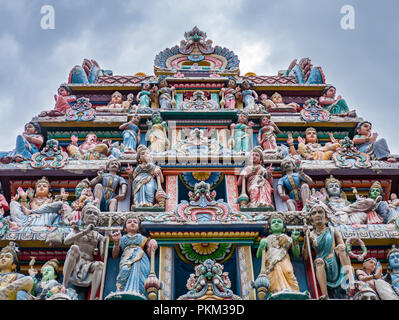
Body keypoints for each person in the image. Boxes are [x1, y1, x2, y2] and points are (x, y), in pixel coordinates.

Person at [302, 200, 355, 299]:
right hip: (323, 264)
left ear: (326, 219)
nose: (317, 214)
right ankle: (325, 294)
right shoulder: (311, 235)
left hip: (336, 261)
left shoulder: (333, 230)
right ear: (312, 221)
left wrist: (348, 247)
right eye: (314, 213)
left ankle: (351, 280)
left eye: (320, 212)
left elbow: (343, 247)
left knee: (340, 247)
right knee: (318, 261)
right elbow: (305, 257)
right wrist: (306, 238)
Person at [62, 205, 105, 300]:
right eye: (89, 213)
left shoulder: (98, 236)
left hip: (88, 263)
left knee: (100, 265)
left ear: (98, 219)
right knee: (74, 248)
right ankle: (64, 285)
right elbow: (66, 241)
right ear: (83, 217)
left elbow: (103, 256)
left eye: (95, 214)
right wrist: (85, 231)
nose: (92, 215)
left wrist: (105, 241)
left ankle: (93, 298)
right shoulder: (77, 229)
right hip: (76, 259)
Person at [111, 216, 158, 296]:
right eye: (129, 222)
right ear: (125, 228)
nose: (132, 223)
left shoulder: (143, 238)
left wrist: (153, 245)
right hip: (126, 258)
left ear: (138, 228)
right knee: (124, 271)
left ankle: (138, 293)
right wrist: (116, 242)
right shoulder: (121, 238)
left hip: (140, 258)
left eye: (135, 222)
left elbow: (150, 254)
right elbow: (115, 255)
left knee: (140, 278)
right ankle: (121, 292)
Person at [256, 214, 300, 293]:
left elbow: (296, 254)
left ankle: (292, 291)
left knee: (288, 271)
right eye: (273, 222)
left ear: (283, 228)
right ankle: (277, 292)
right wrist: (261, 245)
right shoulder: (267, 239)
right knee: (274, 274)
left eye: (279, 222)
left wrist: (295, 240)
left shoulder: (287, 238)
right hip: (271, 261)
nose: (276, 223)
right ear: (270, 229)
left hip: (284, 259)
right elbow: (258, 256)